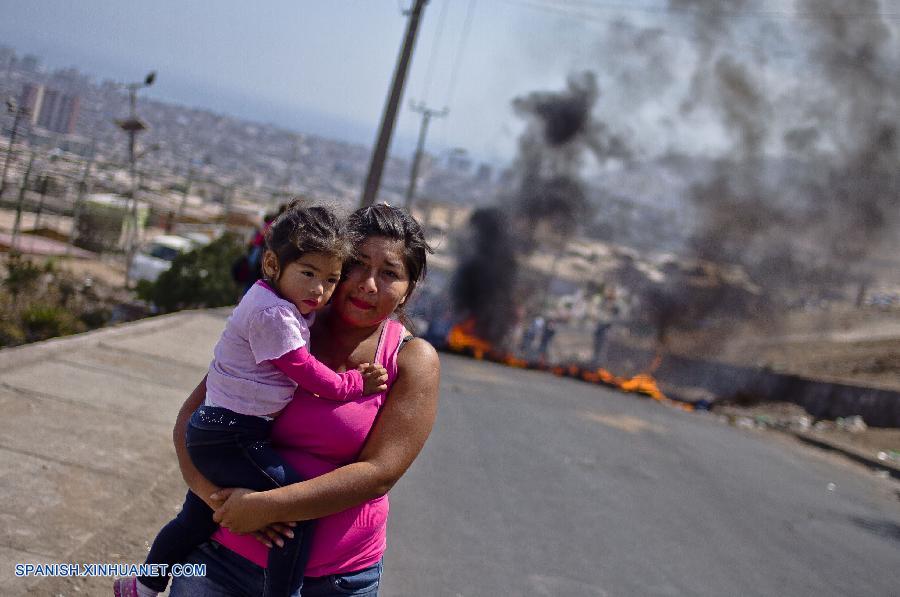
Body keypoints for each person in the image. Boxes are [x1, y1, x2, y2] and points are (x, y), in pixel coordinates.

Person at [164, 204, 439, 597]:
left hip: (337, 581)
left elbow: (379, 473)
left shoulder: (411, 359)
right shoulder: (284, 324)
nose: (369, 284)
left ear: (408, 289)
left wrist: (270, 507)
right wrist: (218, 503)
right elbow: (194, 416)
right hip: (221, 563)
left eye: (390, 273)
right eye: (358, 265)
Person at [115, 203, 389, 597]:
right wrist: (353, 385)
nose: (319, 290)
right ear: (273, 264)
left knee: (195, 519)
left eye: (331, 280)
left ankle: (142, 585)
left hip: (219, 430)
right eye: (308, 274)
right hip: (235, 435)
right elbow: (306, 372)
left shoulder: (278, 303)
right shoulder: (274, 316)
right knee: (293, 514)